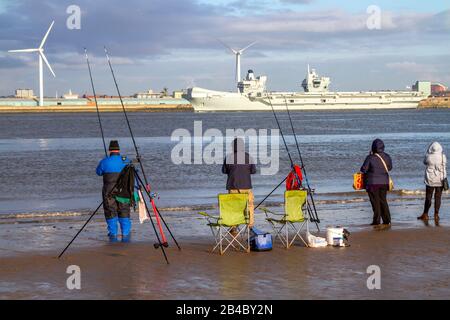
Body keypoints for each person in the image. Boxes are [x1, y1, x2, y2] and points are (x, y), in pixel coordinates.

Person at [96, 140, 132, 242]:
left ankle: (113, 235)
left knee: (110, 211)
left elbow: (98, 172)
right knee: (124, 211)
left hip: (109, 191)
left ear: (109, 150)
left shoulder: (104, 161)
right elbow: (134, 172)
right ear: (119, 149)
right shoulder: (126, 160)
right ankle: (125, 235)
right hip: (124, 191)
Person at [222, 138, 257, 228]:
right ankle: (250, 224)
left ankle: (234, 227)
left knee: (233, 206)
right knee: (250, 205)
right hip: (246, 186)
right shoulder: (248, 157)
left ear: (233, 147)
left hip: (232, 186)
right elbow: (253, 171)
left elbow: (224, 171)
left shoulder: (229, 157)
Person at [360, 139, 393, 227]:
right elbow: (389, 168)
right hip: (384, 182)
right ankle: (387, 220)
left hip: (372, 183)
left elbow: (363, 169)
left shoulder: (370, 157)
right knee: (383, 201)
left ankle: (377, 220)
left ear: (373, 147)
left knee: (375, 202)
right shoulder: (387, 156)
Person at [417, 142, 447, 221]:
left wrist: (428, 151)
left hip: (430, 179)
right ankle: (436, 215)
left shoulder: (428, 156)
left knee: (428, 197)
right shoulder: (443, 156)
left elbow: (424, 162)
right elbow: (444, 165)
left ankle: (425, 214)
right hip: (440, 179)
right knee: (438, 198)